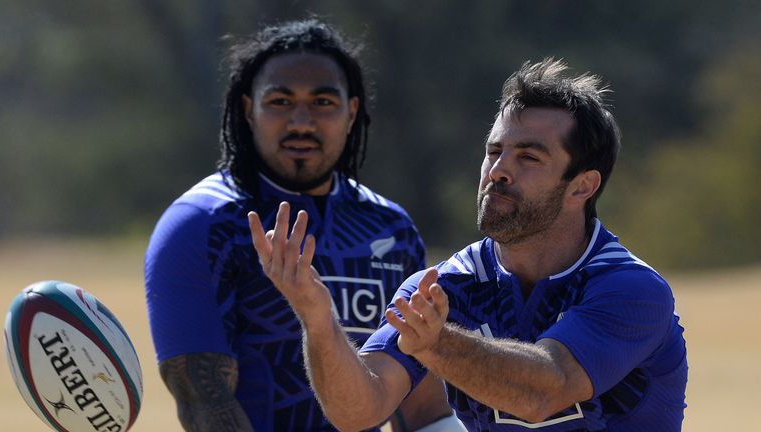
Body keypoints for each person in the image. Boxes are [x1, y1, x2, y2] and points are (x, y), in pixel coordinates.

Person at [248, 58, 689, 431]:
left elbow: (543, 391)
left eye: (529, 157)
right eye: (494, 151)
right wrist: (318, 318)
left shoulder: (630, 290)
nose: (498, 170)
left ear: (582, 186)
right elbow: (359, 411)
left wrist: (435, 343)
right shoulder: (445, 287)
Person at [144, 18, 459, 432]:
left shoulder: (390, 230)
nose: (301, 123)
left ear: (352, 113)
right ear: (247, 110)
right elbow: (204, 404)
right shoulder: (201, 226)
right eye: (280, 101)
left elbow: (422, 411)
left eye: (323, 103)